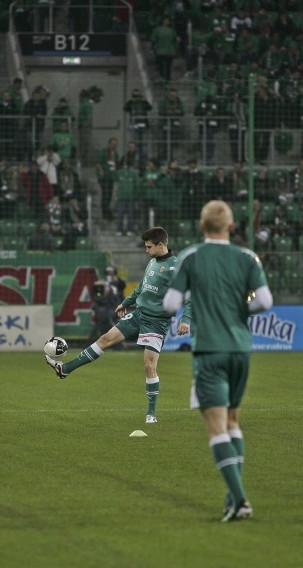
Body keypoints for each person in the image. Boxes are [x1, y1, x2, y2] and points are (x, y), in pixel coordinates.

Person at [162, 199, 273, 523]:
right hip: (241, 349)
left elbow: (170, 303)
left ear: (201, 226)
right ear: (231, 226)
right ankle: (233, 498)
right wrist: (239, 311)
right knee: (233, 422)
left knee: (215, 427)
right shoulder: (246, 256)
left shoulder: (192, 256)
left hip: (210, 350)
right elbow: (265, 301)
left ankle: (239, 500)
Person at [46, 227, 191, 425]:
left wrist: (186, 320)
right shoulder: (152, 262)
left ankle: (151, 413)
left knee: (149, 366)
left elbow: (189, 295)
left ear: (161, 245)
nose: (146, 250)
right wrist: (126, 302)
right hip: (139, 314)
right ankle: (65, 369)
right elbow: (142, 287)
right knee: (104, 339)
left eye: (149, 247)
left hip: (157, 321)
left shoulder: (176, 268)